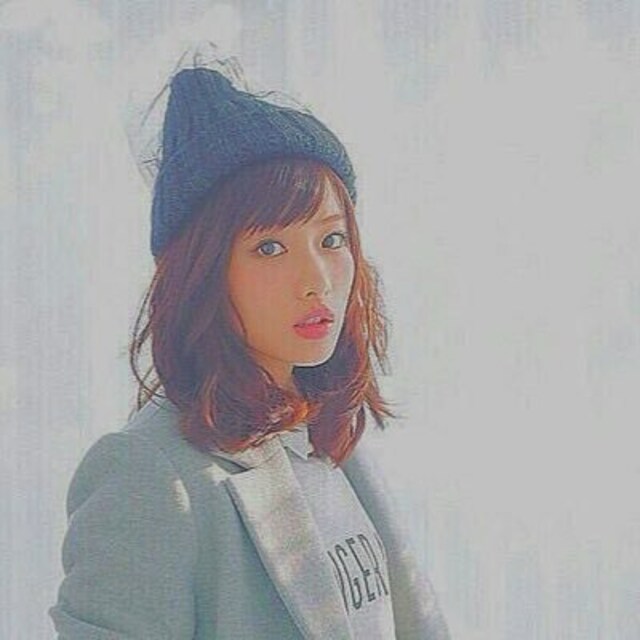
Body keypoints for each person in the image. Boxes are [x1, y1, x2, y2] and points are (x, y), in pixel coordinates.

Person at [49, 57, 451, 640]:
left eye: (331, 238)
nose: (317, 279)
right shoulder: (147, 472)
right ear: (202, 273)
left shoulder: (326, 439)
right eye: (269, 248)